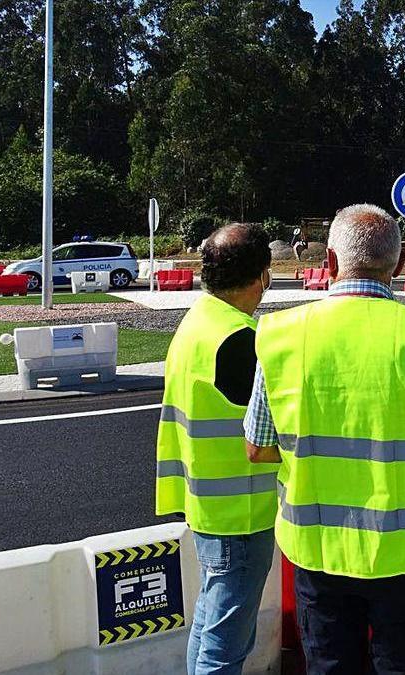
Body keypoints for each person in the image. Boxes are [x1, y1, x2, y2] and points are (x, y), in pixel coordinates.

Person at [245, 203, 405, 675]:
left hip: (317, 550)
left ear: (331, 264)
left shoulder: (279, 336)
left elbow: (257, 447)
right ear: (401, 268)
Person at [155, 222, 280, 675]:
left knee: (209, 623)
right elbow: (275, 422)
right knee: (225, 643)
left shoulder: (198, 322)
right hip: (240, 513)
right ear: (262, 275)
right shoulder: (239, 339)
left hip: (207, 503)